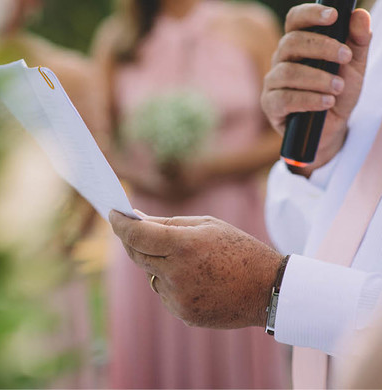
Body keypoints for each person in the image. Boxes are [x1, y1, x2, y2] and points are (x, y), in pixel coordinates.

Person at [108, 0, 382, 388]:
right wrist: (323, 154)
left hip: (232, 220)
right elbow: (318, 224)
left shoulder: (249, 24)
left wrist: (268, 288)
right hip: (152, 214)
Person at [88, 0, 288, 387]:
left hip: (236, 226)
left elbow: (282, 137)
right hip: (148, 229)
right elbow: (101, 145)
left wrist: (208, 169)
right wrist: (149, 174)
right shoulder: (118, 39)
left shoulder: (251, 26)